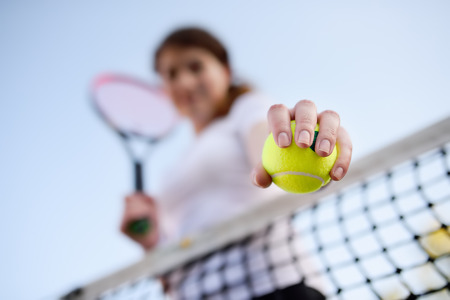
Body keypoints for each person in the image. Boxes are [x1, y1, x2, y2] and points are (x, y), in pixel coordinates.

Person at [120, 27, 352, 299]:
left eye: (195, 67)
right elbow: (170, 270)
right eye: (171, 74)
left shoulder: (247, 109)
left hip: (272, 288)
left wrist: (300, 141)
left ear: (226, 72)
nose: (183, 82)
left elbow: (265, 140)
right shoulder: (173, 169)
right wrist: (150, 241)